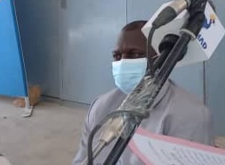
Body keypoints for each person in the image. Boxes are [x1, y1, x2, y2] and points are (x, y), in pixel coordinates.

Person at [72, 21, 213, 165]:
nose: (123, 62)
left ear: (159, 58)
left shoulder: (189, 114)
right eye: (117, 56)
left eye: (134, 54)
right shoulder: (100, 106)